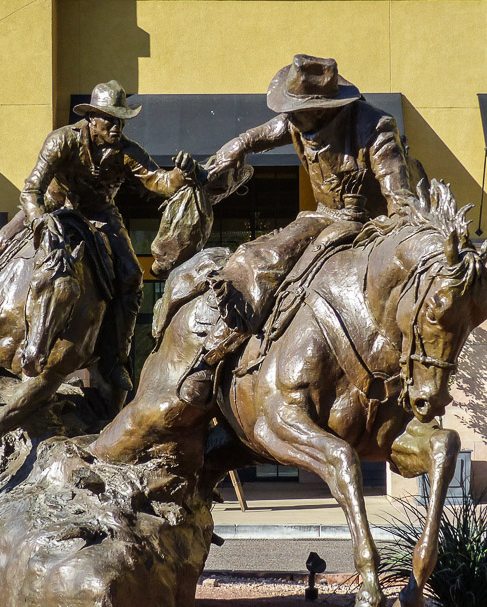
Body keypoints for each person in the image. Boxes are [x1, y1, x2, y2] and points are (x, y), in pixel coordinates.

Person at [178, 54, 423, 406]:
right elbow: (265, 133)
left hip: (373, 227)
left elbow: (400, 197)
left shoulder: (375, 128)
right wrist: (237, 146)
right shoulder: (299, 122)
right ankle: (213, 355)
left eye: (295, 109)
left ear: (323, 107)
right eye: (288, 109)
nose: (288, 117)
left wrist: (387, 225)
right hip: (324, 216)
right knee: (256, 257)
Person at [0, 80, 201, 392]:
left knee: (133, 276)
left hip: (100, 213)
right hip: (51, 207)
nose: (117, 126)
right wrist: (40, 219)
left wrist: (180, 174)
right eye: (110, 119)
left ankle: (115, 357)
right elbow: (32, 188)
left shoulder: (126, 151)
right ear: (92, 118)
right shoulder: (62, 141)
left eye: (120, 120)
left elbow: (158, 181)